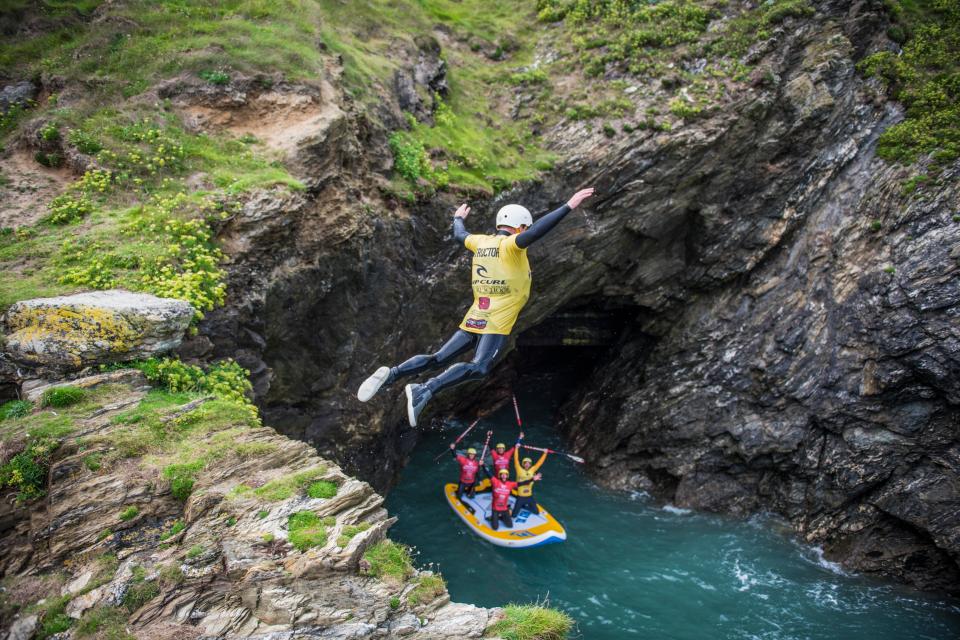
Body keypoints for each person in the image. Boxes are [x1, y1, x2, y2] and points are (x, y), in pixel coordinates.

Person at [356, 188, 596, 426]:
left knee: (439, 357)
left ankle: (392, 374)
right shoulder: (512, 245)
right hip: (496, 320)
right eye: (524, 228)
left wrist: (457, 218)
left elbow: (460, 234)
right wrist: (569, 205)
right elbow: (537, 232)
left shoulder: (480, 242)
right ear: (521, 227)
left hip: (477, 314)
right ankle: (425, 389)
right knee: (480, 367)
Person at [484, 466, 541, 531]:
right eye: (502, 474)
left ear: (507, 476)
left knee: (510, 526)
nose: (503, 476)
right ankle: (493, 518)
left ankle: (500, 517)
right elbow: (488, 473)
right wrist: (483, 465)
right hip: (495, 509)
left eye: (505, 474)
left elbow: (523, 483)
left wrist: (532, 479)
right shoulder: (495, 481)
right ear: (500, 476)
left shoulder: (510, 484)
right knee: (495, 528)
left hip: (504, 509)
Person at [512, 446, 548, 518]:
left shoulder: (532, 470)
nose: (527, 464)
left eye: (529, 463)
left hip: (529, 497)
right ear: (523, 463)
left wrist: (545, 453)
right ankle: (521, 506)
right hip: (520, 497)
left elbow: (540, 463)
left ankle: (523, 507)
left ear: (530, 464)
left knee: (536, 512)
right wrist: (516, 448)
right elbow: (516, 459)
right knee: (513, 515)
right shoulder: (519, 469)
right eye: (525, 463)